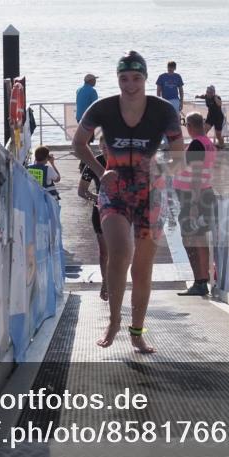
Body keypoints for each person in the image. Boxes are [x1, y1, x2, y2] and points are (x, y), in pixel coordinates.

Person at [73, 50, 184, 354]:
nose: (130, 84)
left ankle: (137, 331)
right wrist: (99, 171)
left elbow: (180, 156)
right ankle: (113, 321)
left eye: (136, 78)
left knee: (143, 268)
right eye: (124, 78)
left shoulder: (164, 111)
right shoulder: (102, 108)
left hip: (151, 192)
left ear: (146, 79)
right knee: (120, 253)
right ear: (117, 79)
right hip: (115, 188)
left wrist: (162, 170)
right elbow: (78, 143)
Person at [174, 112, 218, 297]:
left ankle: (199, 282)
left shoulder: (197, 144)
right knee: (198, 238)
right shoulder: (208, 143)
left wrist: (192, 204)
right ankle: (203, 279)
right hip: (205, 193)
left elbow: (197, 174)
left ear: (189, 126)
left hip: (194, 197)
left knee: (190, 240)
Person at [78, 136, 110, 300]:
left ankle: (116, 282)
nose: (105, 150)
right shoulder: (94, 163)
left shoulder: (122, 162)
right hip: (100, 211)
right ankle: (106, 283)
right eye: (102, 147)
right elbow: (82, 191)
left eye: (108, 147)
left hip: (121, 212)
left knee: (119, 252)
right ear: (99, 146)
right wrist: (98, 198)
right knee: (105, 252)